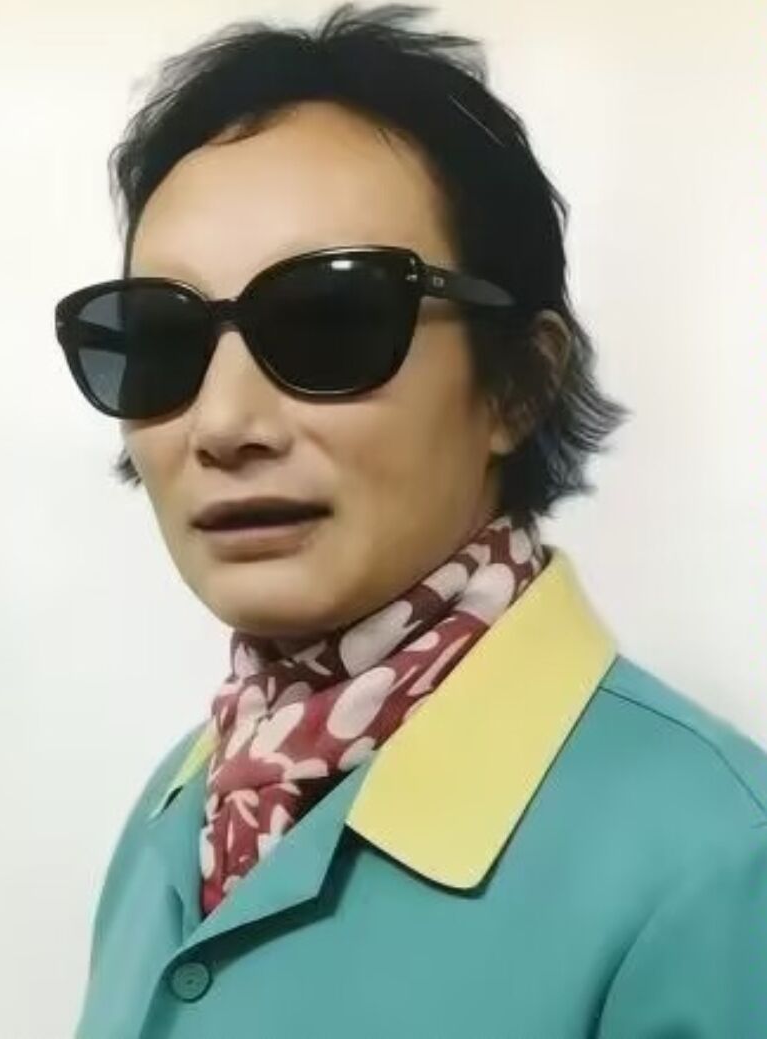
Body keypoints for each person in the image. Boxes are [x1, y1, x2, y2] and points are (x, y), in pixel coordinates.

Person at [53, 5, 767, 1036]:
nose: (224, 423)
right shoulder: (182, 812)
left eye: (331, 321)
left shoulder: (716, 866)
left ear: (519, 382)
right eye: (160, 339)